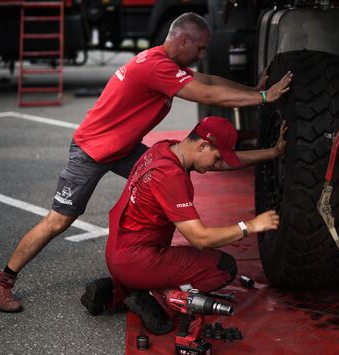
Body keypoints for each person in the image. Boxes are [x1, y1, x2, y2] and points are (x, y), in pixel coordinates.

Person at [0, 12, 292, 312]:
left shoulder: (168, 63)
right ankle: (3, 281)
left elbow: (210, 79)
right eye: (199, 48)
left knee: (168, 173)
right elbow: (208, 92)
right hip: (92, 149)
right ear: (183, 39)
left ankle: (139, 266)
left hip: (124, 149)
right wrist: (264, 97)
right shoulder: (157, 68)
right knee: (59, 220)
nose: (201, 55)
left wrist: (251, 91)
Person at [80, 116, 285, 334]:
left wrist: (272, 152)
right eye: (216, 158)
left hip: (118, 251)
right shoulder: (170, 176)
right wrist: (250, 226)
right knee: (223, 268)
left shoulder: (165, 149)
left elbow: (225, 162)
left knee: (159, 265)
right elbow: (200, 238)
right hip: (138, 259)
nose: (218, 164)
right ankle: (155, 299)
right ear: (203, 145)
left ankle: (113, 293)